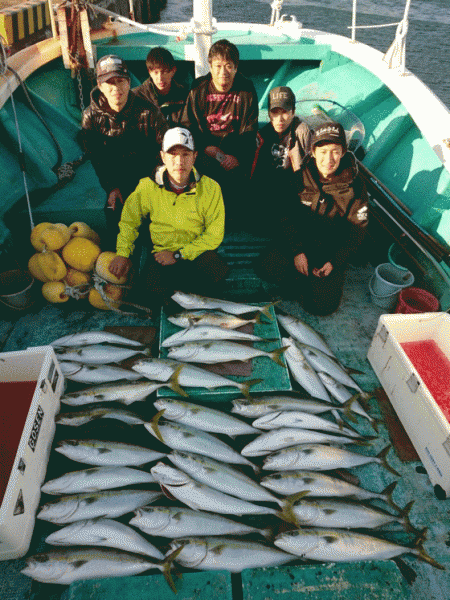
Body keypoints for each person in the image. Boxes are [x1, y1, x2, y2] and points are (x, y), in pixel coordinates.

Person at [108, 127, 229, 310]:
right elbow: (129, 220)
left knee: (217, 273)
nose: (179, 161)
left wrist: (178, 255)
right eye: (172, 154)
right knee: (152, 294)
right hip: (162, 256)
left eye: (185, 154)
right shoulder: (148, 186)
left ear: (194, 156)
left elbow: (214, 235)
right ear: (163, 156)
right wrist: (123, 253)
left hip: (195, 253)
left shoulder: (211, 188)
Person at [255, 121, 369, 315]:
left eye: (335, 151)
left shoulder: (356, 186)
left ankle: (307, 283)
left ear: (343, 152)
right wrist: (297, 251)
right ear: (313, 152)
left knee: (323, 308)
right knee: (265, 267)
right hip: (300, 244)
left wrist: (334, 261)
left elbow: (357, 232)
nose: (329, 159)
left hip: (329, 253)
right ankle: (300, 280)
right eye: (323, 151)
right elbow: (285, 216)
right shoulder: (299, 177)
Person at [81, 54, 168, 249]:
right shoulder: (90, 117)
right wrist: (111, 187)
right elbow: (97, 159)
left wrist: (154, 184)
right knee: (115, 219)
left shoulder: (150, 112)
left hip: (149, 176)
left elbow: (166, 152)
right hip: (117, 179)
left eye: (120, 81)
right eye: (109, 82)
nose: (115, 88)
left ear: (128, 82)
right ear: (100, 86)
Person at [181, 39, 258, 226]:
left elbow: (249, 130)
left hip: (235, 150)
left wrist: (237, 156)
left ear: (236, 67)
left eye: (228, 66)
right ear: (210, 66)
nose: (223, 73)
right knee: (200, 176)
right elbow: (187, 125)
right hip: (205, 149)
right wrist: (206, 148)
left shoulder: (246, 90)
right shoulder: (198, 88)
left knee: (240, 183)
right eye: (217, 66)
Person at [251, 86, 311, 179]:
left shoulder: (301, 132)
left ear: (293, 112)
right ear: (269, 114)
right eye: (275, 112)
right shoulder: (263, 135)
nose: (280, 119)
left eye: (284, 112)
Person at [132, 47, 188, 127]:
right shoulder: (135, 97)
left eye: (164, 72)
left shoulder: (186, 97)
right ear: (149, 72)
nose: (160, 78)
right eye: (156, 72)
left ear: (173, 71)